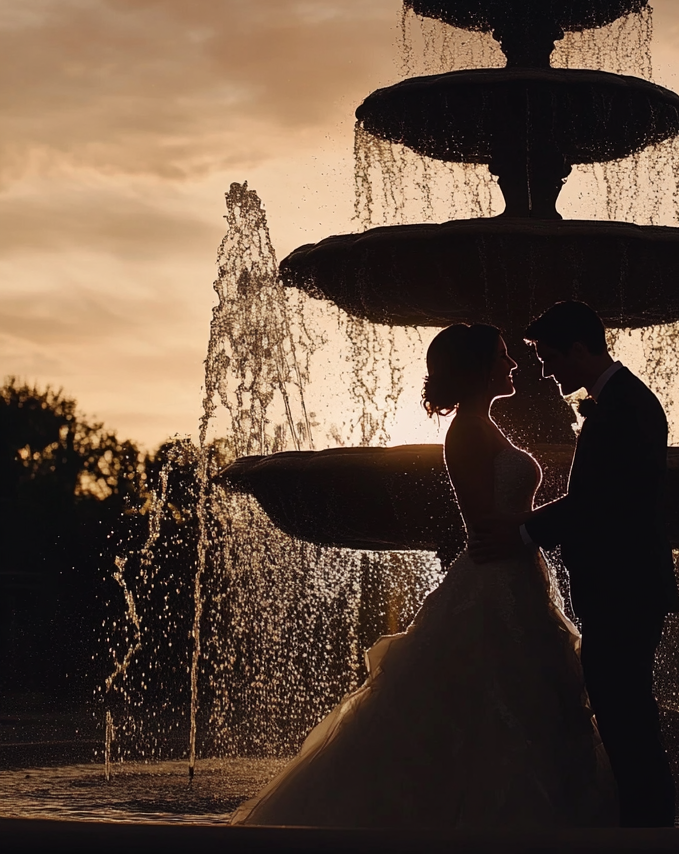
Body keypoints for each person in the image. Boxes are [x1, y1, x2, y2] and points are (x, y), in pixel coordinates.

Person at [232, 323, 616, 828]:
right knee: (495, 699)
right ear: (479, 367)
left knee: (526, 701)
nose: (513, 364)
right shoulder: (468, 432)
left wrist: (535, 534)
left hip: (516, 573)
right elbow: (481, 522)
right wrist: (545, 526)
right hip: (494, 578)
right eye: (503, 356)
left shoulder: (485, 426)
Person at [469, 301, 679, 827]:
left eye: (549, 356)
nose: (544, 370)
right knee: (621, 708)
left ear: (580, 350)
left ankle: (650, 826)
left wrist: (522, 530)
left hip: (624, 588)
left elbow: (601, 503)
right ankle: (647, 821)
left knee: (625, 711)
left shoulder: (625, 407)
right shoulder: (620, 402)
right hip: (621, 587)